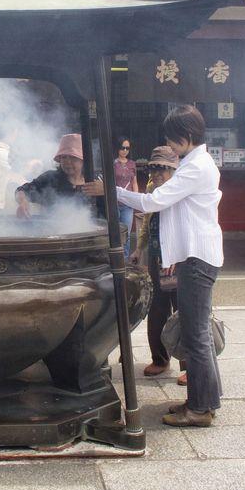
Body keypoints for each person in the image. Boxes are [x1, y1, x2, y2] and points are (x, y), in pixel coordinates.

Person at [89, 105, 224, 427]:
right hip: (194, 255)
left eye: (172, 137)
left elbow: (153, 201)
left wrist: (111, 191)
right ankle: (201, 400)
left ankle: (201, 409)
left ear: (186, 135)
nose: (170, 143)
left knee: (197, 334)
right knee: (196, 332)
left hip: (197, 257)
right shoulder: (194, 163)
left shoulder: (196, 166)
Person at [129, 146, 185, 383]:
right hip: (156, 256)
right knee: (157, 307)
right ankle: (160, 358)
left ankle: (191, 366)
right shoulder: (152, 189)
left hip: (179, 258)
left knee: (184, 311)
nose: (158, 173)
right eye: (154, 168)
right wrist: (139, 248)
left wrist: (174, 255)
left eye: (164, 168)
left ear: (174, 170)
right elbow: (148, 222)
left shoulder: (183, 191)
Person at [15, 133, 93, 217]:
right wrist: (23, 201)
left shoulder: (95, 181)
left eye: (73, 157)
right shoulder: (50, 178)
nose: (67, 162)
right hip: (52, 229)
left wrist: (105, 190)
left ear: (83, 160)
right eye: (64, 157)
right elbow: (22, 190)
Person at [114, 136, 139, 257]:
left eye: (127, 148)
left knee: (127, 234)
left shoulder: (132, 164)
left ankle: (124, 260)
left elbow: (134, 182)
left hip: (128, 204)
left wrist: (136, 199)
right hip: (114, 203)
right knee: (115, 233)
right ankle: (115, 259)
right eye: (122, 148)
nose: (124, 150)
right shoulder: (113, 163)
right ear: (117, 148)